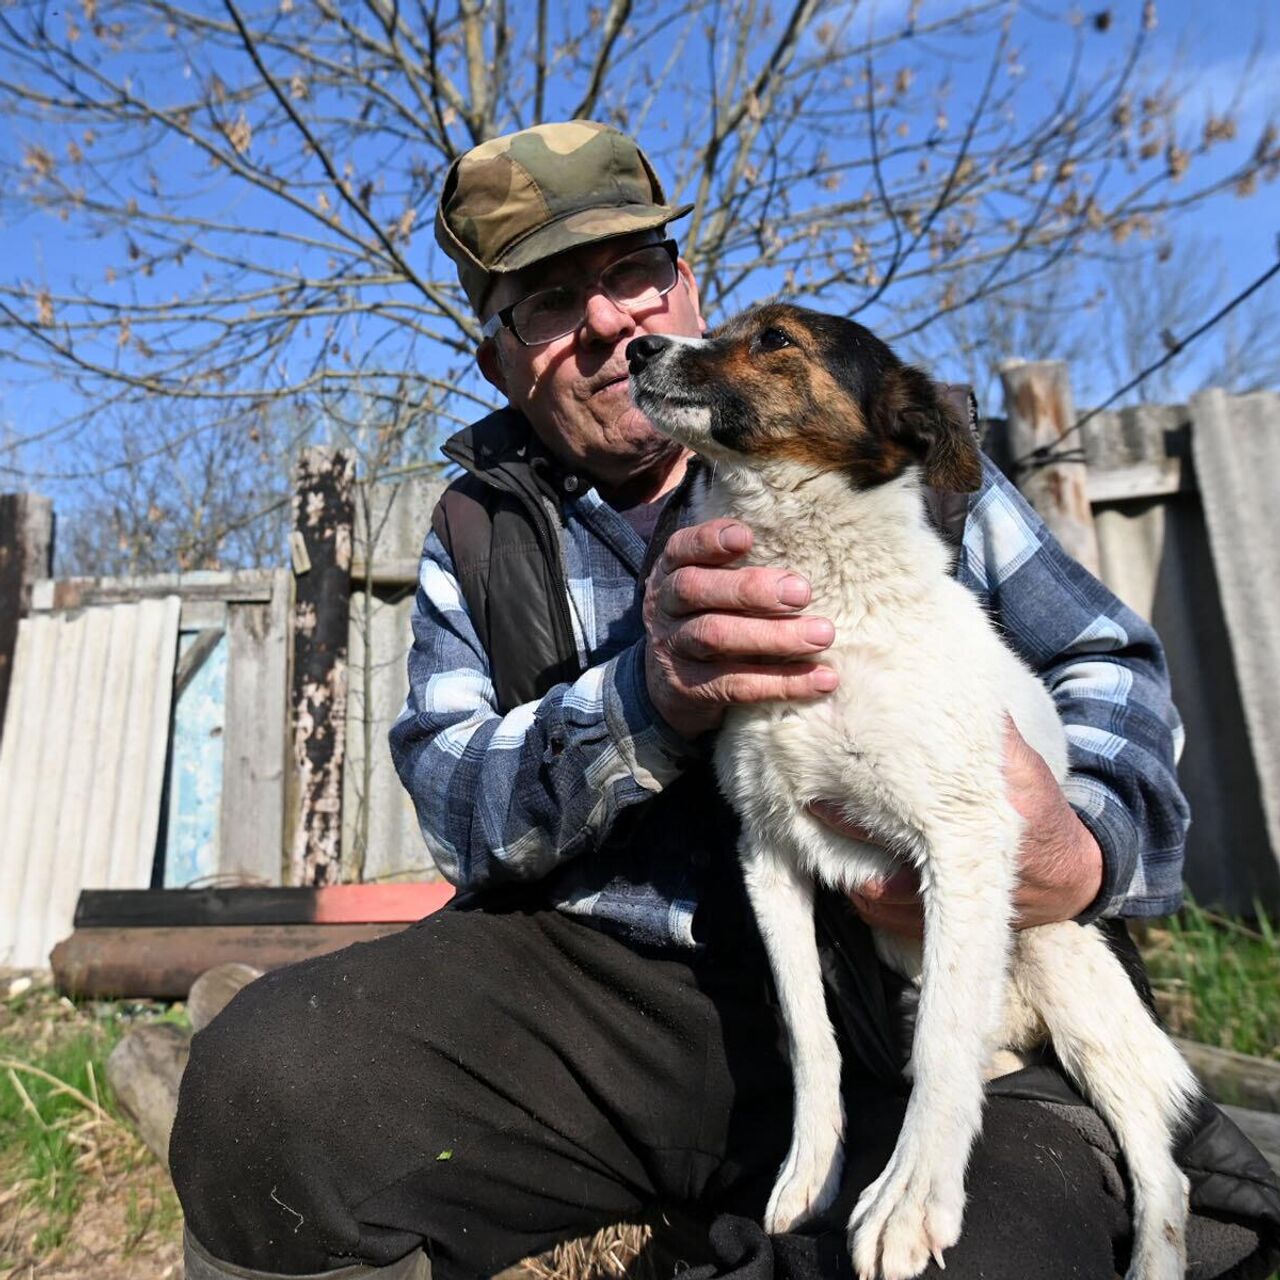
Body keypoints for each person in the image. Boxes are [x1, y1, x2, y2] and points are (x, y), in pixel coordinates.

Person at [170, 121, 1280, 1280]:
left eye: (630, 271)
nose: (608, 322)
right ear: (497, 356)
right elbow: (455, 807)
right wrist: (641, 700)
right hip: (622, 992)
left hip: (936, 984)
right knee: (265, 1090)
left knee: (974, 1249)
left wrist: (1078, 843)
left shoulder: (878, 450)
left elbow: (1105, 663)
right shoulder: (479, 527)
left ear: (683, 282)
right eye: (547, 302)